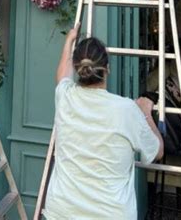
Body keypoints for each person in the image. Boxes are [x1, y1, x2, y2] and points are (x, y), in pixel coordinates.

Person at [43, 28, 163, 220]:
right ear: (108, 68)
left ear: (77, 68)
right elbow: (157, 151)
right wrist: (146, 113)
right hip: (110, 214)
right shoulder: (127, 110)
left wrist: (69, 41)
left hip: (62, 211)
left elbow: (62, 77)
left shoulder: (65, 97)